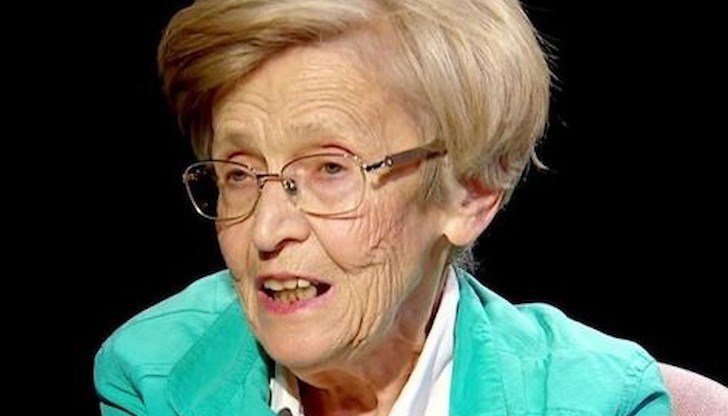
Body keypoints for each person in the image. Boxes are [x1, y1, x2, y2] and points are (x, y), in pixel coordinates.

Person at [93, 0, 671, 414]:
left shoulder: (600, 400)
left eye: (330, 169)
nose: (265, 231)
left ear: (471, 192)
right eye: (240, 174)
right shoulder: (150, 374)